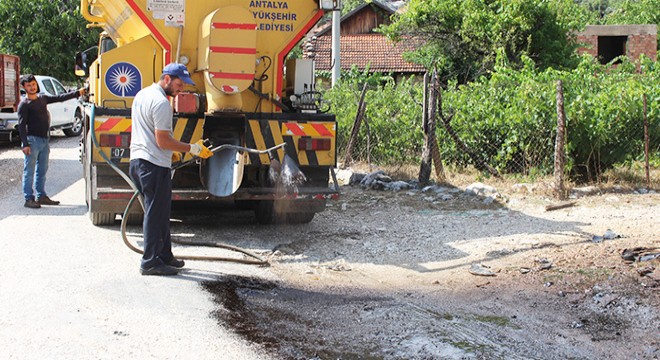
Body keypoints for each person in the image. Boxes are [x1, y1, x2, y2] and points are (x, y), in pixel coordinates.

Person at [129, 63, 213, 276]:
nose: (180, 89)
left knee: (161, 211)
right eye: (178, 84)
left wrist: (169, 153)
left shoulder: (142, 95)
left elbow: (148, 132)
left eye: (183, 85)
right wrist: (192, 148)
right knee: (155, 214)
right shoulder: (161, 103)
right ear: (166, 79)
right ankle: (149, 262)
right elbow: (163, 140)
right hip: (153, 165)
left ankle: (165, 255)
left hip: (140, 161)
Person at [18, 74, 86, 209]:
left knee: (42, 170)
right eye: (28, 85)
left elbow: (60, 98)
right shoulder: (24, 105)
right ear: (24, 87)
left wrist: (78, 93)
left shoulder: (42, 98)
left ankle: (41, 196)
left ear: (36, 84)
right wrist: (25, 144)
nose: (32, 87)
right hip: (32, 141)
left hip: (44, 140)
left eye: (33, 84)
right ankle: (28, 198)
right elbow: (21, 125)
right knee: (29, 170)